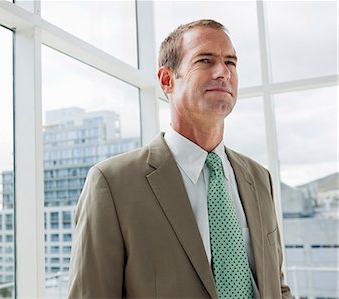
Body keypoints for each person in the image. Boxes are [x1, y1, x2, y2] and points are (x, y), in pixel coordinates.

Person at [68, 19, 292, 298]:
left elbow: (276, 286)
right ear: (167, 80)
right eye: (205, 60)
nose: (223, 72)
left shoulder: (259, 178)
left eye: (231, 62)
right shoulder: (112, 184)